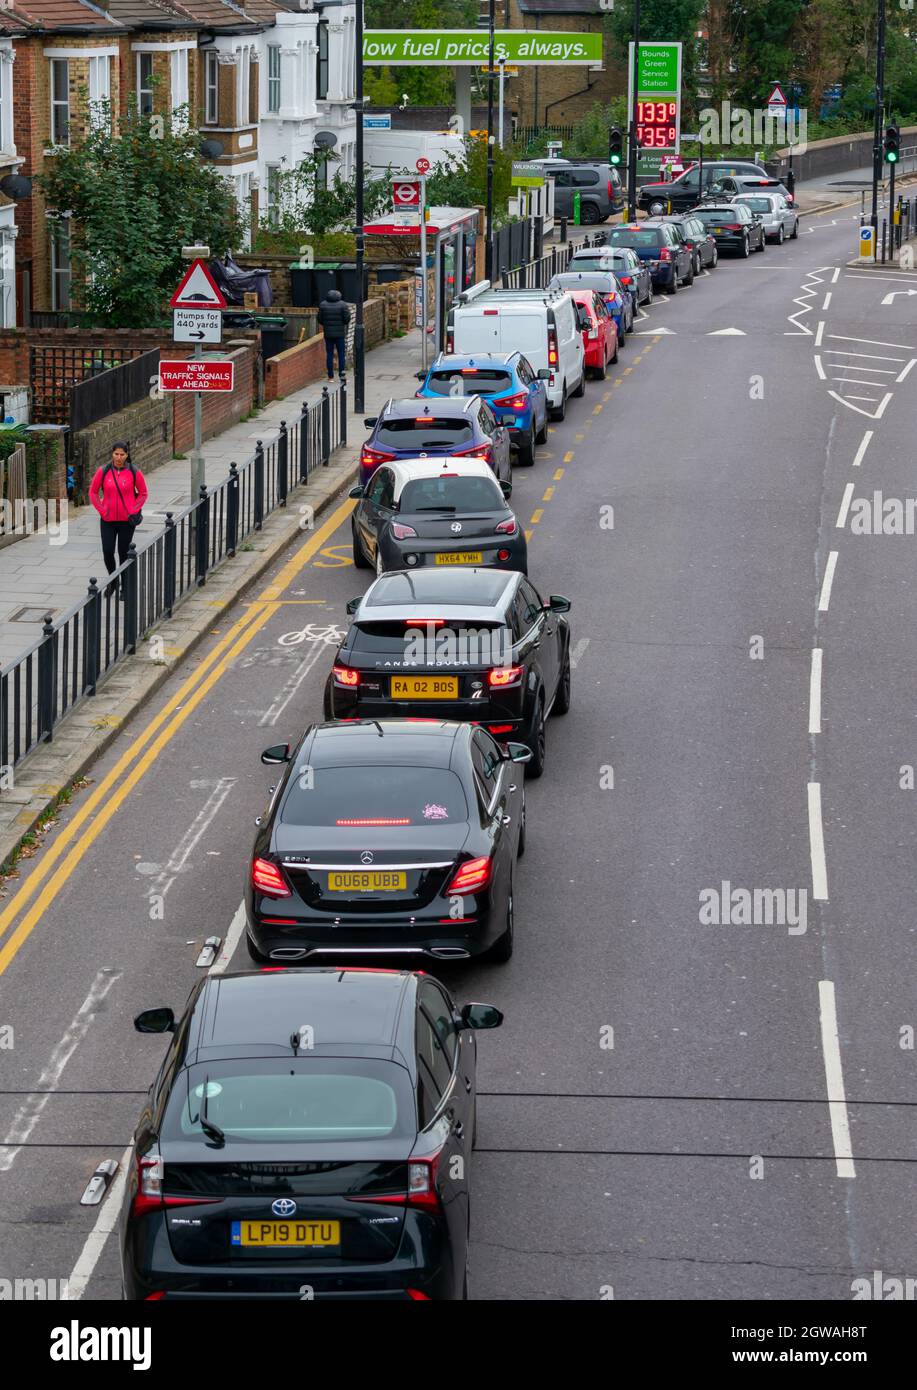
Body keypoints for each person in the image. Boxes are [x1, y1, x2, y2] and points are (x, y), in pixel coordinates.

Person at [89, 442, 148, 596]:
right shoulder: (103, 471)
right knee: (108, 551)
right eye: (116, 454)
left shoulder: (134, 471)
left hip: (126, 521)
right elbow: (93, 492)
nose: (119, 457)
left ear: (127, 455)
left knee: (123, 553)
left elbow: (143, 493)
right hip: (107, 520)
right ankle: (113, 581)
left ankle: (125, 587)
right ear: (112, 454)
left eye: (122, 454)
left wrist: (133, 510)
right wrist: (102, 510)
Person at [317, 288, 351, 380]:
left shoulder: (323, 304)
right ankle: (342, 375)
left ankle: (330, 377)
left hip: (328, 334)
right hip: (340, 334)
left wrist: (327, 325)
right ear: (339, 296)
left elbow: (319, 319)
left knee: (329, 354)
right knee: (341, 354)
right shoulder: (343, 305)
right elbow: (347, 319)